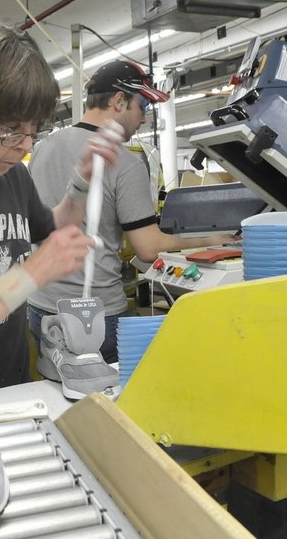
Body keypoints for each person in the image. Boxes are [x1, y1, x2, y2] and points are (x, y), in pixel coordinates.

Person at [0, 23, 119, 391]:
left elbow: (52, 228)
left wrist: (82, 182)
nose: (26, 145)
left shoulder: (12, 176)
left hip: (15, 385)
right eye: (12, 129)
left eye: (33, 129)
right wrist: (30, 275)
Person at [27, 59, 239, 364]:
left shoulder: (42, 148)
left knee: (58, 385)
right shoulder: (124, 162)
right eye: (143, 106)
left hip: (42, 306)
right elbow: (148, 248)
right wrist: (213, 240)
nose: (144, 118)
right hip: (96, 314)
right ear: (119, 101)